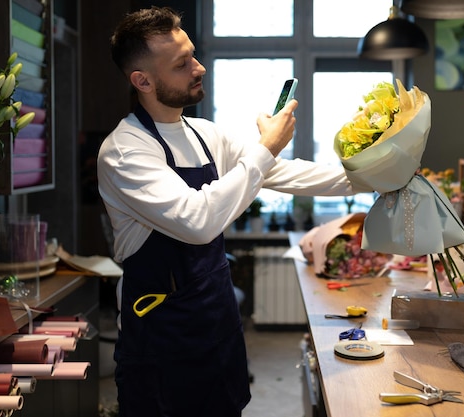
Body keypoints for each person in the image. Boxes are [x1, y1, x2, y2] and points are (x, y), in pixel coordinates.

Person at [97, 6, 371, 417]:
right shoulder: (126, 151)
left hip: (217, 326)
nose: (199, 67)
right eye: (182, 63)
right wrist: (265, 149)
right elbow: (198, 222)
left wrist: (374, 177)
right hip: (161, 340)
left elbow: (285, 174)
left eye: (194, 54)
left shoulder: (205, 133)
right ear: (143, 80)